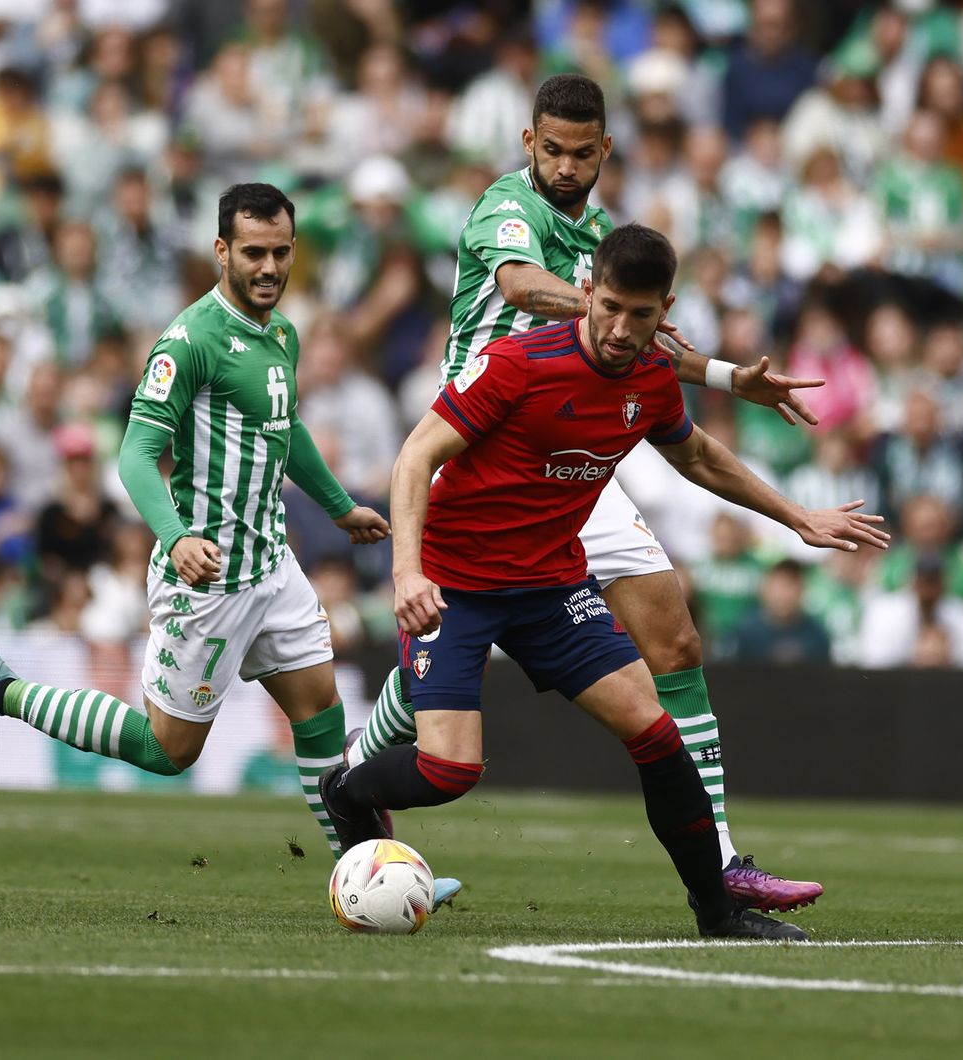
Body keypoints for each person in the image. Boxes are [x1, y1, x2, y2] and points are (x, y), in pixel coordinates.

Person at [347, 73, 831, 913]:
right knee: (449, 719)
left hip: (576, 444)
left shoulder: (604, 237)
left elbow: (639, 342)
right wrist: (603, 311)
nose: (567, 169)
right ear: (528, 144)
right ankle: (362, 771)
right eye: (553, 151)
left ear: (605, 151)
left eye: (583, 154)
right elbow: (523, 287)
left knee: (673, 642)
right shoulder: (509, 208)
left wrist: (720, 375)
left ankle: (719, 867)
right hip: (490, 444)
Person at [320, 224, 887, 941]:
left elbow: (701, 458)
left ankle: (717, 914)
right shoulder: (516, 364)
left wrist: (795, 516)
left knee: (658, 735)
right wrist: (406, 572)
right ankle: (345, 790)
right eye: (610, 307)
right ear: (586, 293)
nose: (621, 329)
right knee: (448, 770)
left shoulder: (650, 377)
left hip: (552, 586)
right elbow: (414, 456)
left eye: (640, 315)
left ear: (665, 310)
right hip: (457, 582)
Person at [0, 183, 415, 873]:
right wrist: (177, 536)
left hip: (271, 564)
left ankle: (370, 873)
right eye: (253, 254)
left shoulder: (283, 332)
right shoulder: (188, 342)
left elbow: (285, 424)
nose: (268, 268)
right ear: (221, 251)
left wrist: (337, 505)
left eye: (280, 253)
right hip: (205, 577)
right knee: (167, 750)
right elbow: (134, 454)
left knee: (321, 721)